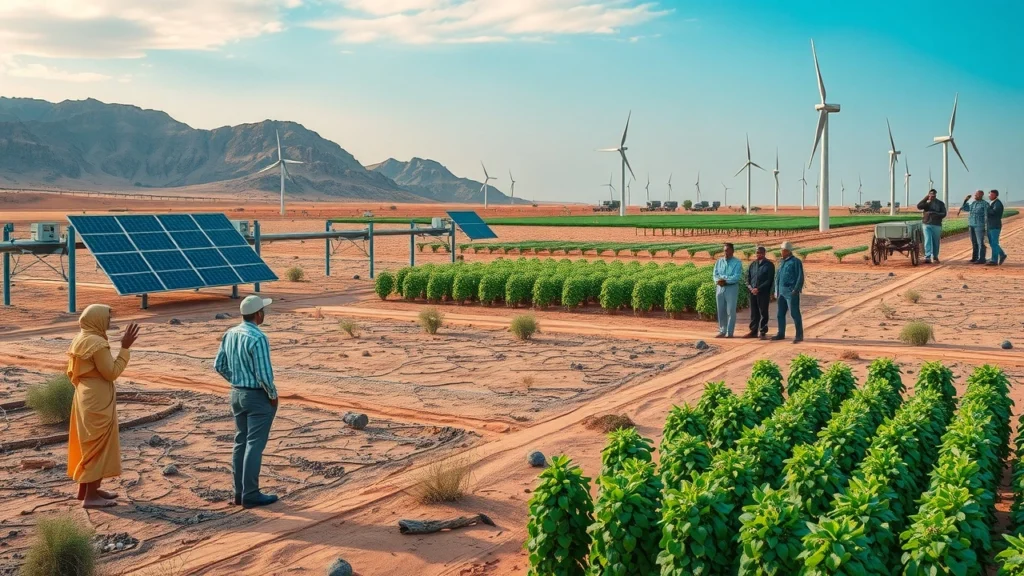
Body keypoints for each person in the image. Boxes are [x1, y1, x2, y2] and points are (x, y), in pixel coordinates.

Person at [66, 304, 139, 509]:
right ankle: (91, 497)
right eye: (107, 318)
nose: (109, 322)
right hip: (96, 399)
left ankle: (88, 489)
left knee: (88, 442)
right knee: (97, 444)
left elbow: (72, 374)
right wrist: (125, 348)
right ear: (97, 319)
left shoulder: (80, 339)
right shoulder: (97, 343)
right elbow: (111, 372)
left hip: (84, 395)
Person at [214, 295, 279, 509]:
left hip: (236, 394)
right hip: (256, 396)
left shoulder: (230, 333)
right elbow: (264, 374)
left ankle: (239, 492)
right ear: (258, 314)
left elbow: (219, 365)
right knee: (254, 444)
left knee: (240, 441)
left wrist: (235, 380)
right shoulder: (258, 338)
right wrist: (272, 395)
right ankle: (251, 493)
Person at [772, 241, 804, 344]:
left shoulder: (796, 262)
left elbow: (800, 277)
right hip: (781, 292)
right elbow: (777, 277)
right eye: (781, 250)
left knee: (794, 313)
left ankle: (799, 335)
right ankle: (781, 333)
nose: (781, 252)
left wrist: (796, 289)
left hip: (791, 292)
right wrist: (776, 290)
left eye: (783, 250)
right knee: (780, 314)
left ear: (788, 251)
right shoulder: (781, 262)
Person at [712, 242, 742, 338]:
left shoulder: (737, 262)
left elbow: (736, 277)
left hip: (731, 288)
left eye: (728, 250)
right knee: (720, 310)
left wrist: (725, 280)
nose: (726, 252)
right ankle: (722, 331)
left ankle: (730, 332)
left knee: (730, 311)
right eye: (724, 250)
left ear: (732, 251)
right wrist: (718, 280)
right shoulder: (719, 261)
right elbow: (715, 274)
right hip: (720, 288)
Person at [743, 246, 775, 339]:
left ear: (764, 253)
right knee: (754, 312)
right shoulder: (752, 264)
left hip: (763, 293)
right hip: (753, 292)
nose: (758, 254)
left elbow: (769, 280)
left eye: (760, 253)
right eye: (757, 253)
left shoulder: (769, 265)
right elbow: (747, 278)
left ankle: (763, 331)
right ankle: (753, 331)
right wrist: (751, 288)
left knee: (763, 311)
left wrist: (758, 289)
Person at [917, 189, 947, 263]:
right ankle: (927, 257)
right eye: (930, 195)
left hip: (936, 224)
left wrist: (935, 214)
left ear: (935, 195)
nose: (932, 197)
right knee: (927, 240)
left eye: (933, 195)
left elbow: (944, 213)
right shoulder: (926, 203)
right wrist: (926, 198)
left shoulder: (940, 203)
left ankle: (935, 256)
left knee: (936, 241)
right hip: (926, 224)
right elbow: (919, 206)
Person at [962, 190, 988, 264]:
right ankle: (975, 257)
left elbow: (987, 215)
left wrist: (986, 225)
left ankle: (982, 258)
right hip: (971, 224)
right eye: (975, 195)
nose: (975, 196)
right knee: (974, 242)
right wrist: (965, 201)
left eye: (976, 195)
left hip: (979, 225)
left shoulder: (985, 204)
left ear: (981, 195)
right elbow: (965, 209)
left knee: (980, 242)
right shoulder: (973, 203)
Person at [987, 189, 1006, 266]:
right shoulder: (992, 203)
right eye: (989, 194)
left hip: (995, 226)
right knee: (992, 243)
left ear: (996, 195)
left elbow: (993, 213)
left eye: (992, 195)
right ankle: (997, 256)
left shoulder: (997, 204)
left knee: (994, 243)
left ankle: (995, 260)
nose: (990, 196)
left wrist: (987, 208)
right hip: (990, 225)